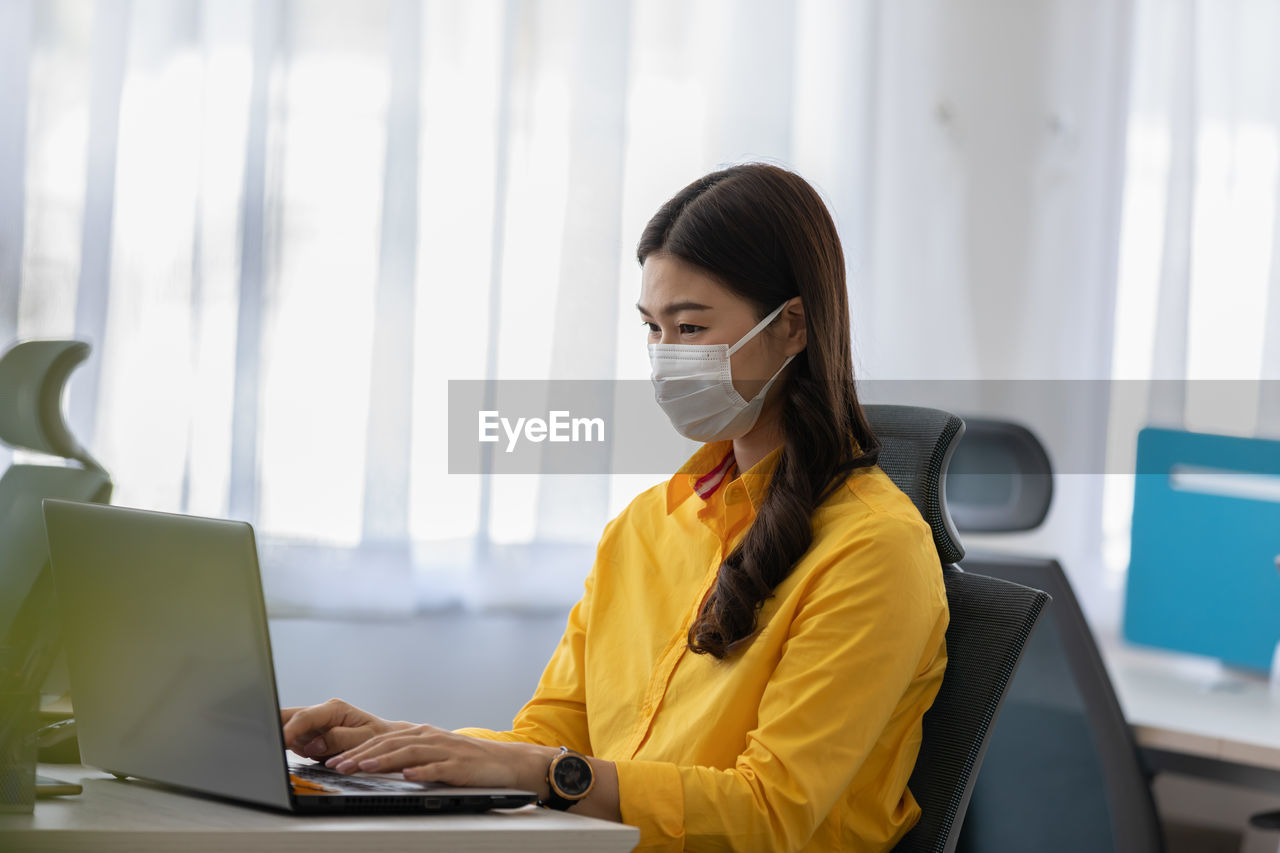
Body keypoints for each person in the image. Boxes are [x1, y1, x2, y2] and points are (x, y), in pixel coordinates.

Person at [281, 163, 949, 852]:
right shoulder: (643, 528)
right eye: (652, 329)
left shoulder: (875, 550)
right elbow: (549, 740)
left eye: (689, 328)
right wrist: (395, 747)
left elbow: (770, 812)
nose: (664, 357)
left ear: (793, 327)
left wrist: (547, 773)